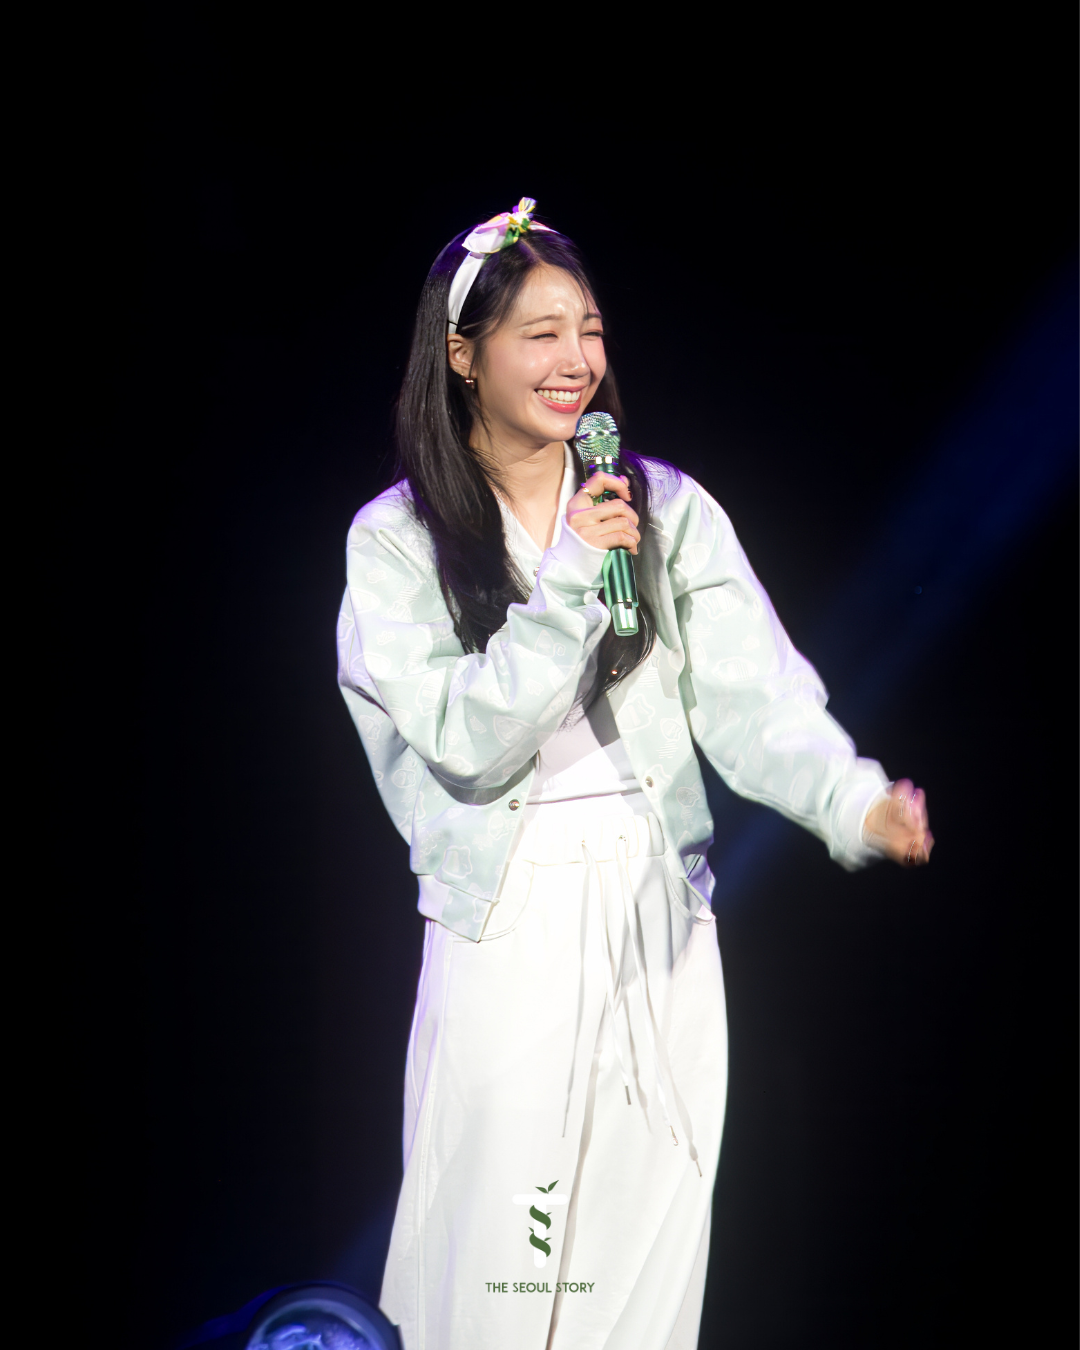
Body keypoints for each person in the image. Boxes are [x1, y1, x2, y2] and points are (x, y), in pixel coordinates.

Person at [336, 198, 933, 1350]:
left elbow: (756, 698)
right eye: (541, 334)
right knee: (505, 1260)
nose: (577, 360)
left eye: (591, 330)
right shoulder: (397, 541)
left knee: (643, 1256)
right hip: (511, 913)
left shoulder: (665, 510)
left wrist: (853, 800)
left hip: (659, 906)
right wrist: (571, 576)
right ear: (462, 356)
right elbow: (462, 736)